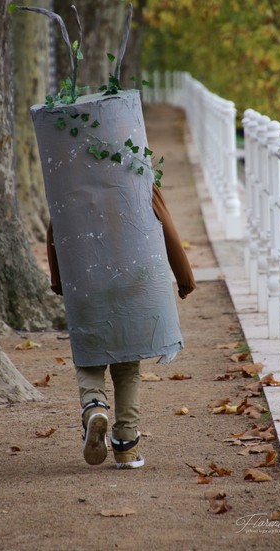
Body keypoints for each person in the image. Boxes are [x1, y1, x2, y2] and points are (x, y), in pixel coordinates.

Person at [46, 182, 195, 469]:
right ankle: (126, 445)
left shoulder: (70, 176)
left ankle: (94, 407)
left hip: (86, 281)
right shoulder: (140, 177)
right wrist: (185, 280)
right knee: (127, 366)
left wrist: (58, 281)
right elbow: (168, 230)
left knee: (89, 359)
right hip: (131, 280)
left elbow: (56, 230)